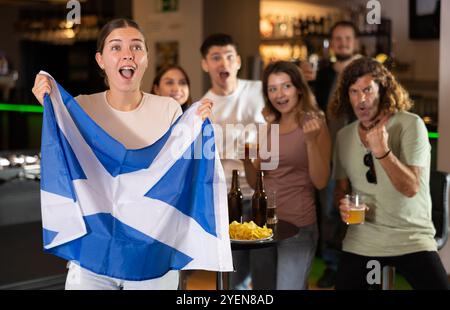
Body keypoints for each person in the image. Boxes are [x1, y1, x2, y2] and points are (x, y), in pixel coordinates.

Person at [32, 18, 213, 290]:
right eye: (116, 47)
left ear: (146, 59)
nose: (128, 53)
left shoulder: (169, 110)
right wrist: (50, 107)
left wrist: (200, 129)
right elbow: (59, 165)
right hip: (93, 251)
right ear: (100, 60)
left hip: (151, 254)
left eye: (136, 47)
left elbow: (182, 181)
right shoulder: (80, 109)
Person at [330, 57, 449, 290]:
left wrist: (383, 152)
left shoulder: (411, 125)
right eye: (353, 92)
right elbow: (341, 189)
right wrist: (342, 204)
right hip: (363, 240)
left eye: (367, 90)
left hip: (412, 237)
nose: (360, 99)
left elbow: (411, 187)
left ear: (383, 89)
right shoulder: (344, 136)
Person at [244, 61, 331, 289]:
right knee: (263, 291)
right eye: (272, 89)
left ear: (299, 88)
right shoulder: (269, 126)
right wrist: (245, 157)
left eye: (286, 86)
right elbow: (256, 184)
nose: (279, 94)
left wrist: (311, 142)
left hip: (298, 226)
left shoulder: (314, 124)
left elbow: (321, 182)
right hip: (263, 225)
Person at [200, 33, 266, 289]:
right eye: (215, 58)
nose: (223, 63)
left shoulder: (259, 91)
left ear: (238, 61)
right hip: (225, 200)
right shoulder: (203, 106)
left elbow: (273, 139)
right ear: (206, 64)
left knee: (263, 270)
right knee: (234, 274)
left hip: (262, 194)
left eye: (228, 56)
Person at [300, 21, 361, 288]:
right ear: (332, 43)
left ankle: (357, 265)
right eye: (338, 38)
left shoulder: (365, 71)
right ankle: (332, 265)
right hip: (329, 151)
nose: (343, 42)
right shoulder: (322, 72)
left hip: (362, 154)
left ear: (355, 42)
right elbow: (310, 107)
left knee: (359, 208)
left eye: (347, 38)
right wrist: (305, 82)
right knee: (329, 211)